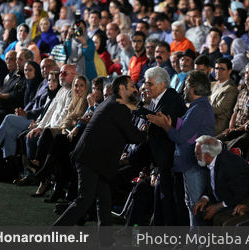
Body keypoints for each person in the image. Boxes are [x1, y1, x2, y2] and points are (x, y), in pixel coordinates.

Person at [53, 75, 147, 235]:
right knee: (84, 200)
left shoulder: (114, 102)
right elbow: (134, 137)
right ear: (122, 88)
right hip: (91, 160)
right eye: (132, 86)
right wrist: (145, 132)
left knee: (104, 199)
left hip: (94, 160)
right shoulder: (118, 107)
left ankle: (106, 241)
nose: (136, 89)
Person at [147, 70, 215, 226]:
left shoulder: (199, 108)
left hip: (194, 164)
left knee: (196, 206)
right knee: (191, 204)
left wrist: (165, 126)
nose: (183, 89)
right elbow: (185, 130)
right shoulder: (197, 107)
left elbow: (180, 137)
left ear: (192, 88)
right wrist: (170, 124)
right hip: (189, 163)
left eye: (185, 86)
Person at [0, 60, 58, 161]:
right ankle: (9, 163)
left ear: (55, 67)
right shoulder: (43, 83)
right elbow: (33, 102)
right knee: (10, 132)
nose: (45, 69)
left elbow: (46, 108)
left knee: (8, 118)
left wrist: (26, 114)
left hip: (39, 120)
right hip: (31, 116)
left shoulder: (55, 85)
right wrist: (23, 112)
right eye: (43, 67)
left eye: (48, 66)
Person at [143, 66, 187, 225]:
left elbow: (164, 125)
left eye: (150, 84)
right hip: (162, 159)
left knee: (170, 199)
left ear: (162, 84)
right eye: (145, 83)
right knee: (163, 196)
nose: (146, 87)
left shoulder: (171, 98)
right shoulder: (158, 99)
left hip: (171, 158)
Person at [193, 135, 249, 225]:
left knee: (217, 218)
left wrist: (217, 207)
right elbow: (211, 185)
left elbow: (240, 194)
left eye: (197, 154)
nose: (196, 156)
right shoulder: (211, 160)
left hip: (238, 201)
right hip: (223, 197)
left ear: (207, 155)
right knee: (199, 211)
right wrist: (204, 198)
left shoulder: (229, 165)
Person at [210, 58, 238, 135]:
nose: (218, 71)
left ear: (229, 71)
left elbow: (218, 109)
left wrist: (200, 107)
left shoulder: (231, 89)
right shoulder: (211, 84)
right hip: (205, 120)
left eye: (222, 69)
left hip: (218, 126)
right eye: (216, 68)